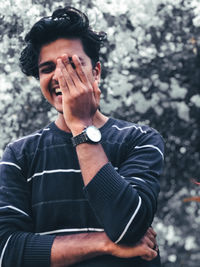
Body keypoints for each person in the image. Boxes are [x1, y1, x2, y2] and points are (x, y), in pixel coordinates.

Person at [0, 6, 164, 267]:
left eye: (71, 64)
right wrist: (103, 243)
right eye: (47, 68)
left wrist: (81, 126)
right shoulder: (19, 155)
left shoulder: (140, 139)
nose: (59, 75)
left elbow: (128, 226)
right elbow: (7, 251)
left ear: (96, 72)